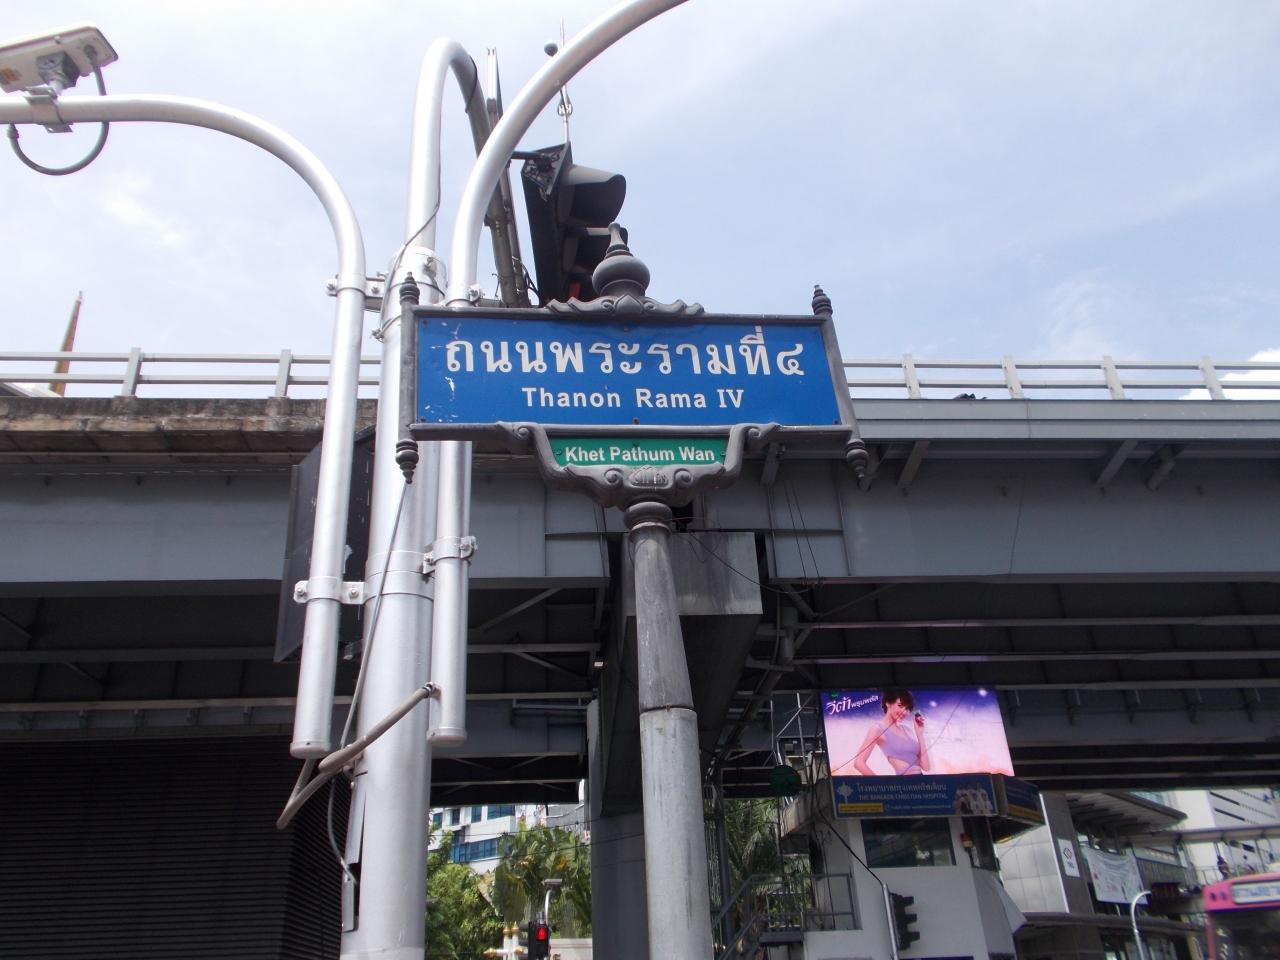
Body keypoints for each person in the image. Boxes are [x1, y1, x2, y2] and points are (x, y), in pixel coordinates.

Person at [850, 688, 930, 776]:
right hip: (904, 782)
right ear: (888, 703)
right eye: (900, 705)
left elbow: (926, 767)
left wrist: (920, 734)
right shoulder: (878, 729)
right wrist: (881, 783)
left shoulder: (908, 730)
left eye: (907, 708)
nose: (904, 712)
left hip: (922, 780)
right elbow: (858, 763)